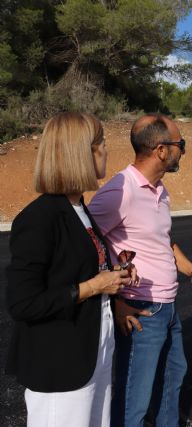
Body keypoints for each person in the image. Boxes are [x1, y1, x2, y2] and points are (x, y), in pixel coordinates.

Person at [6, 112, 134, 426]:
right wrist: (95, 286)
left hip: (93, 355)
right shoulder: (39, 218)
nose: (106, 150)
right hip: (60, 367)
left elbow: (77, 269)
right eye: (102, 143)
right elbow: (23, 303)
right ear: (82, 152)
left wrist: (114, 275)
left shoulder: (80, 210)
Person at [88, 113, 192, 427]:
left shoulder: (160, 191)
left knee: (172, 381)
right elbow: (86, 246)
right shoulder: (121, 191)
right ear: (161, 150)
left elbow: (163, 241)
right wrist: (117, 301)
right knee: (134, 401)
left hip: (167, 307)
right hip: (140, 311)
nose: (183, 150)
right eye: (180, 144)